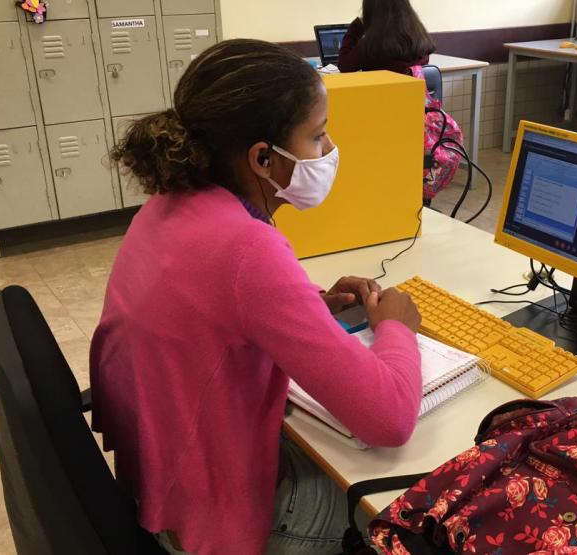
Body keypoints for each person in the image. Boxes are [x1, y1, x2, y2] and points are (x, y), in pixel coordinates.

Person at [91, 39, 423, 555]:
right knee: (403, 502)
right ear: (263, 158)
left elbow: (212, 308)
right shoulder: (247, 250)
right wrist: (397, 326)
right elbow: (389, 419)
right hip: (212, 521)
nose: (329, 149)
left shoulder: (168, 203)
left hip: (162, 489)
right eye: (317, 136)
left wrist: (307, 302)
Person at [338, 0, 436, 74]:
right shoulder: (420, 40)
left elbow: (344, 66)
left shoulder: (371, 46)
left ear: (371, 12)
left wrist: (356, 26)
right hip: (416, 99)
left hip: (381, 99)